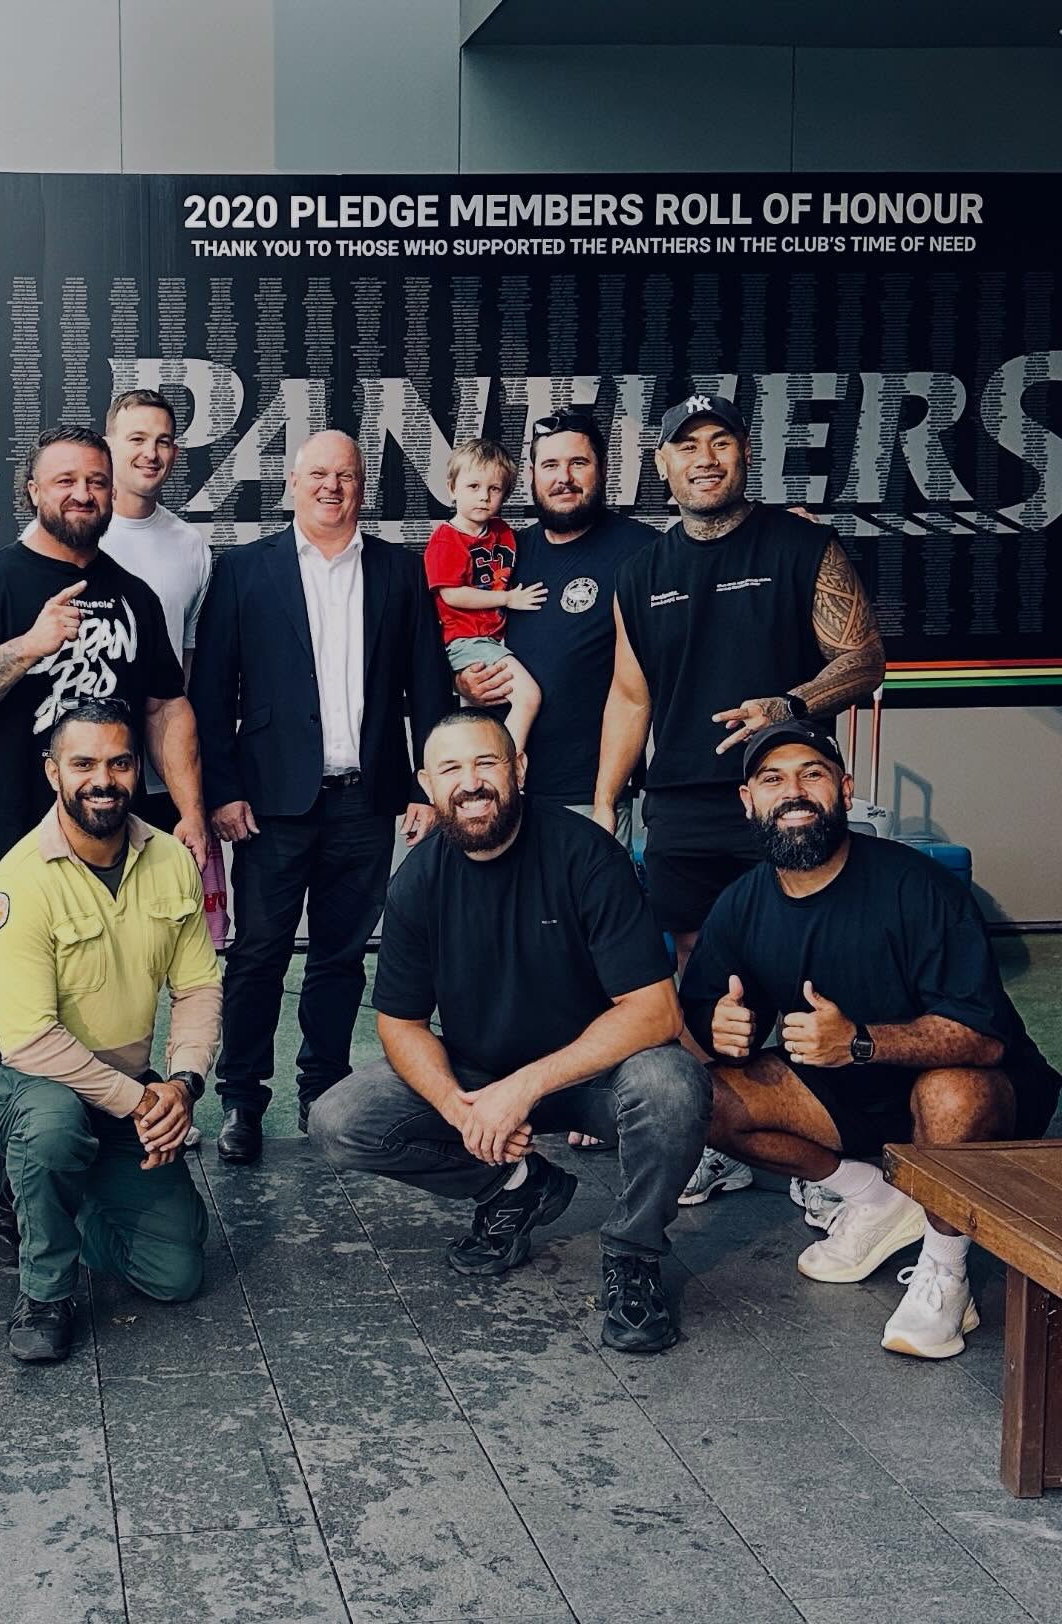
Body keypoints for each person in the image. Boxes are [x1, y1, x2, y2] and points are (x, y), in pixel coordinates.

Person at [309, 712, 711, 1354]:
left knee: (673, 1084)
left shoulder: (585, 855)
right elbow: (400, 1022)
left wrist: (523, 1088)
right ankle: (518, 1187)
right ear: (428, 785)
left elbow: (655, 1010)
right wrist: (457, 1106)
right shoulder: (417, 880)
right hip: (479, 1078)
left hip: (591, 1080)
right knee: (340, 1119)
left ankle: (634, 1255)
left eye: (486, 763)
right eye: (451, 770)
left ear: (519, 768)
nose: (471, 783)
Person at [680, 722, 1061, 1360]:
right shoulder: (742, 905)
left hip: (977, 1097)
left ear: (845, 791)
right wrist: (718, 1026)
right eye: (773, 779)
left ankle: (946, 1269)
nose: (793, 791)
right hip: (847, 1102)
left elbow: (984, 1038)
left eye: (813, 774)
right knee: (700, 1096)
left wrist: (858, 1043)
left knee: (950, 1096)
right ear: (748, 801)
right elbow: (698, 1014)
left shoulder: (919, 888)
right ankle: (876, 1195)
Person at [594, 391, 886, 1202]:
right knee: (699, 973)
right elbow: (629, 696)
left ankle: (822, 1144)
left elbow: (864, 658)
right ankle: (725, 1130)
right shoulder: (640, 572)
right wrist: (604, 800)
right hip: (684, 804)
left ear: (743, 454)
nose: (705, 459)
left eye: (720, 442)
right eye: (688, 447)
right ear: (663, 466)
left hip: (786, 795)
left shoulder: (801, 545)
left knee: (807, 962)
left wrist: (787, 707)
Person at [0, 423, 206, 1237]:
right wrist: (29, 645)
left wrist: (187, 812)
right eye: (65, 480)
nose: (83, 493)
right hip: (3, 836)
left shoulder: (135, 594)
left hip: (114, 832)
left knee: (116, 989)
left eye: (95, 480)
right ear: (32, 490)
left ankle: (101, 1132)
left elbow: (164, 708)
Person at [191, 430, 454, 1164]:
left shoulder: (399, 573)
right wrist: (223, 789)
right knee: (258, 956)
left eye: (345, 475)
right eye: (317, 474)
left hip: (367, 801)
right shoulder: (245, 571)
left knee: (341, 957)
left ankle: (324, 1092)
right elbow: (211, 694)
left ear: (362, 487)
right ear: (291, 485)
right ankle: (241, 1099)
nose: (330, 486)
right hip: (270, 804)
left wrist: (427, 783)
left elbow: (428, 686)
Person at [0, 701, 220, 1362]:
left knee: (177, 1273)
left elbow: (196, 986)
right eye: (83, 763)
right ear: (54, 772)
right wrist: (143, 1103)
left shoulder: (168, 860)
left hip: (123, 1084)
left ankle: (48, 1202)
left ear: (138, 771)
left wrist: (183, 1085)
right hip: (24, 1078)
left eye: (119, 762)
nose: (101, 779)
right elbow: (30, 1041)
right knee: (52, 1126)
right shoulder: (18, 882)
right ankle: (45, 1290)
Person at [454, 407, 654, 849]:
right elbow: (459, 628)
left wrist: (607, 798)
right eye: (550, 465)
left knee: (592, 917)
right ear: (530, 475)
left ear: (601, 469)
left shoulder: (641, 551)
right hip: (503, 795)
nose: (563, 477)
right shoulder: (508, 550)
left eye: (577, 463)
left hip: (590, 797)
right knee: (510, 918)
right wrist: (464, 680)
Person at [20, 390, 214, 827]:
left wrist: (187, 793)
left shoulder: (191, 546)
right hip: (73, 777)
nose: (151, 453)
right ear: (107, 449)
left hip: (155, 780)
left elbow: (180, 672)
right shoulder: (59, 528)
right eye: (137, 438)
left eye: (163, 441)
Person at [424, 437, 542, 751]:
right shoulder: (446, 539)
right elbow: (451, 595)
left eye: (494, 489)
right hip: (467, 640)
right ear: (452, 489)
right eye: (473, 487)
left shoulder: (502, 531)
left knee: (482, 718)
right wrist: (507, 599)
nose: (484, 497)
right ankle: (510, 764)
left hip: (494, 637)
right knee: (529, 697)